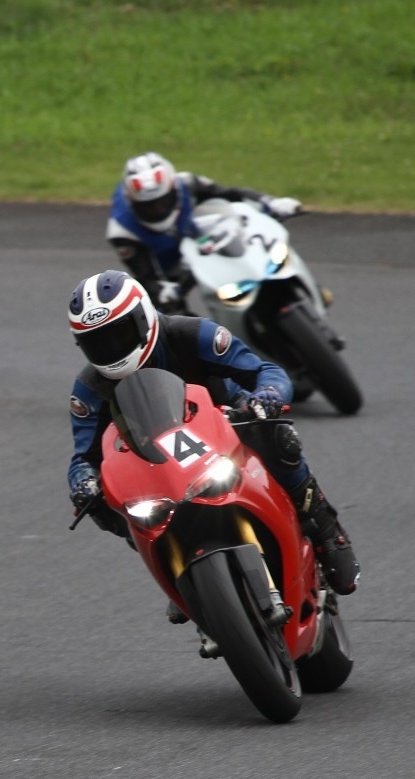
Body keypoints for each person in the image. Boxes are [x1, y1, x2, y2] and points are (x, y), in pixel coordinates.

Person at [65, 269, 359, 599]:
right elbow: (83, 457)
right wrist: (83, 483)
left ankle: (323, 524)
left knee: (277, 436)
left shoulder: (193, 334)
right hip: (153, 459)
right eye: (97, 343)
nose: (111, 349)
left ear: (144, 317)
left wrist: (268, 395)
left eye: (119, 334)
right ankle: (172, 564)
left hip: (225, 423)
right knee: (101, 504)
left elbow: (265, 371)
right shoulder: (89, 389)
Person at [107, 152, 304, 313]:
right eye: (149, 207)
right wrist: (161, 290)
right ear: (132, 203)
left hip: (198, 234)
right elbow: (145, 276)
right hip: (169, 264)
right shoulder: (122, 232)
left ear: (173, 189)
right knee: (169, 313)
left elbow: (230, 194)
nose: (158, 209)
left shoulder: (187, 182)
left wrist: (270, 202)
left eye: (162, 202)